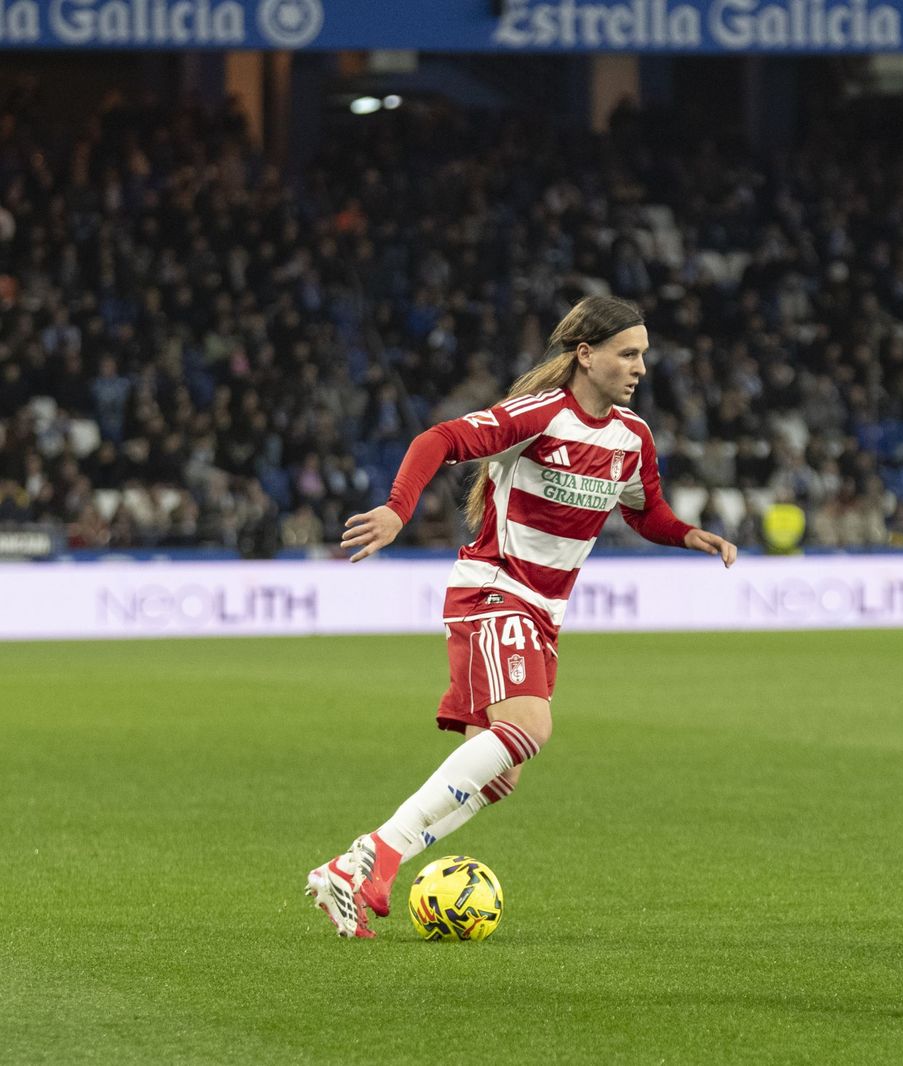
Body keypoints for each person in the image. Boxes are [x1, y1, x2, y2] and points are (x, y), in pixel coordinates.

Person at [306, 296, 737, 938]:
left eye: (644, 354)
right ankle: (375, 855)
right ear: (585, 356)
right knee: (531, 726)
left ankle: (350, 868)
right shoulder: (541, 414)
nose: (641, 367)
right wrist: (398, 510)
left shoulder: (631, 437)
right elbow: (441, 438)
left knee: (500, 772)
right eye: (628, 353)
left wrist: (688, 536)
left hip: (543, 613)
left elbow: (645, 512)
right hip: (494, 590)